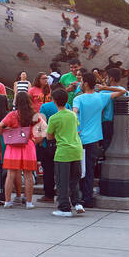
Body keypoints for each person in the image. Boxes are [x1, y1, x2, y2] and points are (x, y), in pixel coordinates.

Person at [72, 72, 126, 208]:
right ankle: (88, 198)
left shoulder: (78, 99)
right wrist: (104, 88)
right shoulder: (102, 97)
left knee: (77, 169)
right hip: (94, 138)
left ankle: (76, 198)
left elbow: (74, 114)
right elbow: (123, 91)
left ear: (84, 83)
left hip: (79, 137)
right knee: (89, 169)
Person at [0, 91, 44, 208]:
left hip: (13, 147)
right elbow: (43, 130)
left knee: (10, 174)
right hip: (28, 146)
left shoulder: (12, 114)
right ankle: (28, 202)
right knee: (28, 175)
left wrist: (6, 134)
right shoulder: (34, 114)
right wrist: (35, 140)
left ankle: (7, 201)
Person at [47, 85, 83, 217]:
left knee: (62, 182)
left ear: (54, 101)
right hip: (77, 150)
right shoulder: (73, 115)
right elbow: (77, 127)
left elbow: (49, 136)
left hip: (63, 152)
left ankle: (64, 208)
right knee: (75, 180)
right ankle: (77, 203)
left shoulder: (54, 118)